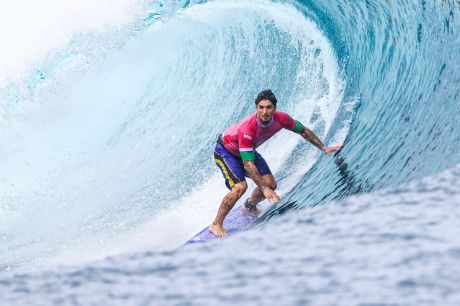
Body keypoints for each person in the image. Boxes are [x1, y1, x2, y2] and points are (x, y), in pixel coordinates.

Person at [210, 89, 342, 237]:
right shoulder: (247, 129)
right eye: (261, 107)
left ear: (275, 108)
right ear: (256, 108)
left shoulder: (281, 119)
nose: (264, 111)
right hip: (226, 151)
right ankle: (216, 224)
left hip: (247, 151)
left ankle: (249, 206)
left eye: (268, 107)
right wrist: (263, 189)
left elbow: (303, 131)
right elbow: (248, 164)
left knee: (270, 184)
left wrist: (324, 148)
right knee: (240, 187)